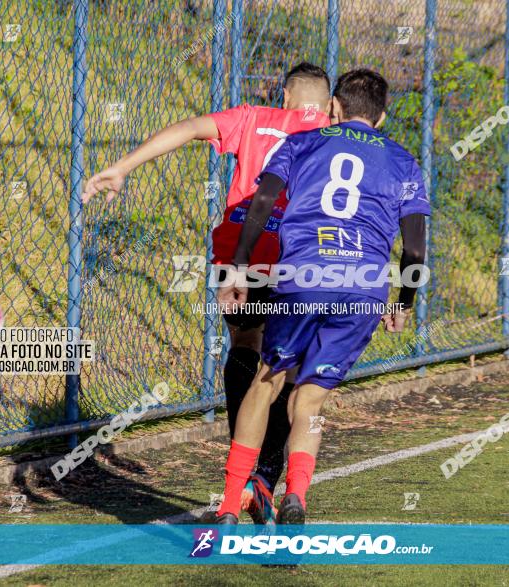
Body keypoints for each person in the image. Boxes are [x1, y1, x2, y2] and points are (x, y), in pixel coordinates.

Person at [81, 62, 332, 523]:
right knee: (290, 375)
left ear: (286, 96)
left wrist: (122, 167)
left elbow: (189, 128)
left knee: (245, 347)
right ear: (328, 103)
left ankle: (244, 466)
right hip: (304, 258)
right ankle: (265, 478)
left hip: (243, 247)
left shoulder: (255, 117)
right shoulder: (335, 135)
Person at [214, 68, 431, 524]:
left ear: (334, 108)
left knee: (267, 381)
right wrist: (404, 304)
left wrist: (238, 267)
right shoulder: (404, 162)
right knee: (310, 399)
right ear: (383, 117)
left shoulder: (302, 143)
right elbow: (413, 248)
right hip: (363, 292)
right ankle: (296, 495)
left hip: (304, 277)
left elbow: (261, 201)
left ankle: (231, 503)